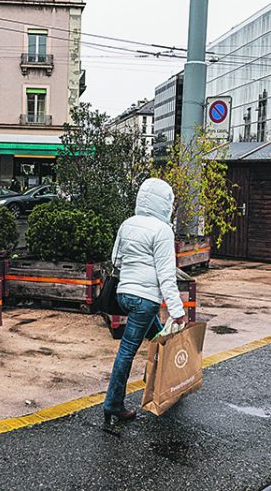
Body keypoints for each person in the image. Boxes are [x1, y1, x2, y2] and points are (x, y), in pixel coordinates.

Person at [103, 178, 188, 425]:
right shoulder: (162, 230)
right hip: (145, 299)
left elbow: (116, 260)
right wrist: (177, 311)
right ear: (165, 203)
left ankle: (163, 385)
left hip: (123, 294)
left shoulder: (127, 224)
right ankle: (113, 404)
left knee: (160, 340)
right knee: (127, 351)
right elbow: (166, 275)